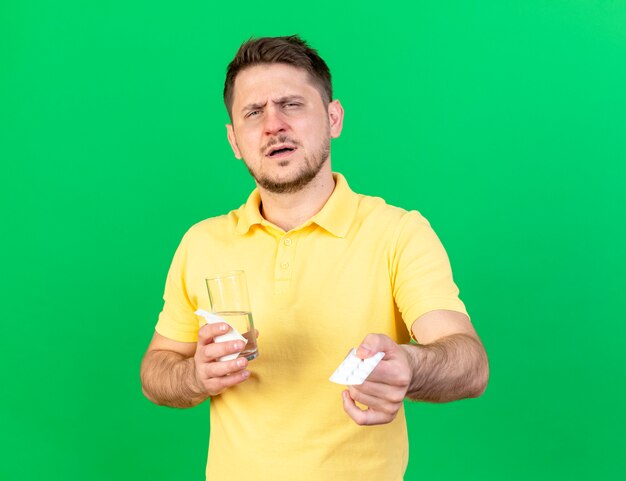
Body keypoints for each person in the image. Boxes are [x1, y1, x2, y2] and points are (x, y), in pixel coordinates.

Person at [140, 35, 489, 481]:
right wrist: (194, 377)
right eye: (253, 113)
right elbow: (157, 368)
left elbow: (469, 362)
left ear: (333, 117)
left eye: (291, 104)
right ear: (234, 139)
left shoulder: (398, 232)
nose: (273, 126)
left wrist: (410, 365)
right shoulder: (201, 242)